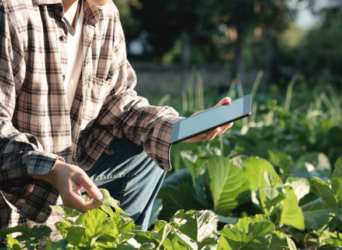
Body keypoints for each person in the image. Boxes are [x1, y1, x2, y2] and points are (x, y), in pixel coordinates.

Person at [0, 0, 232, 243]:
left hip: (74, 173)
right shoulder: (12, 11)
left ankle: (119, 244)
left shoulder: (105, 14)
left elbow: (118, 102)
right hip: (17, 190)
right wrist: (53, 169)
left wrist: (180, 128)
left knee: (146, 156)